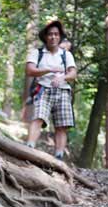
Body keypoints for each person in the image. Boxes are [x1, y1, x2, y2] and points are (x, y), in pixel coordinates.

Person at [24, 20, 77, 160]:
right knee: (38, 118)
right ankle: (28, 149)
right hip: (43, 89)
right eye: (50, 34)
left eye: (56, 34)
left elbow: (73, 73)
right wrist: (49, 69)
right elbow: (30, 70)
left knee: (62, 125)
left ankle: (58, 157)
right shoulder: (38, 53)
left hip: (63, 91)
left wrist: (63, 78)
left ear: (60, 37)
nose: (53, 37)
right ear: (45, 37)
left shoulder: (66, 55)